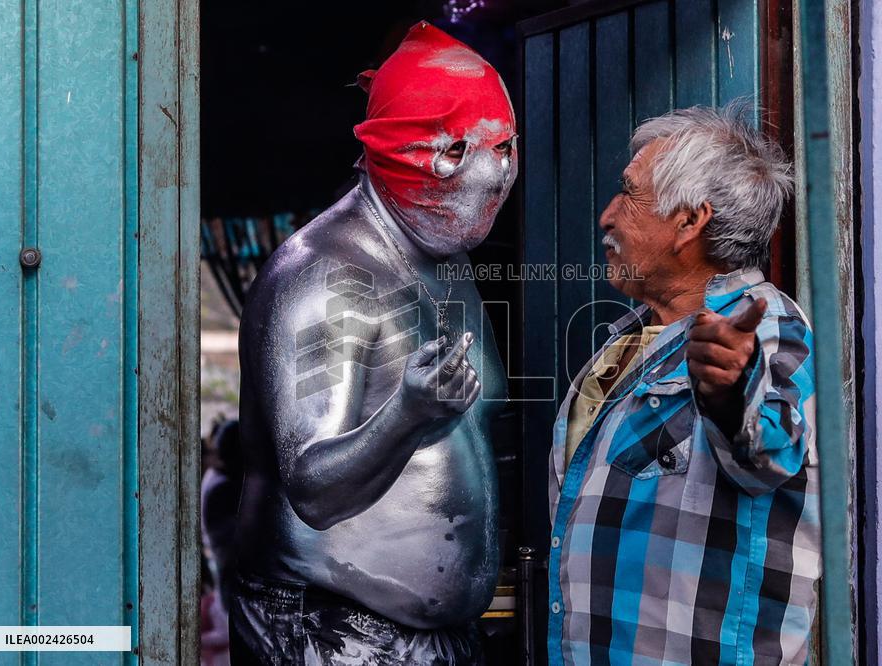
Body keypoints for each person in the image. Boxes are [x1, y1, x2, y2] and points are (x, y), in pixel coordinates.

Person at [232, 21, 517, 665]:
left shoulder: (448, 260)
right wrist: (406, 414)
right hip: (327, 628)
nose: (496, 173)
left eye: (506, 148)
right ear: (420, 153)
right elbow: (312, 489)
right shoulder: (326, 277)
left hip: (438, 638)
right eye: (468, 151)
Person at [547, 105, 821, 665]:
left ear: (690, 222)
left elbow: (766, 451)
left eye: (628, 194)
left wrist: (730, 394)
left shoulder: (770, 329)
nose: (607, 216)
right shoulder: (627, 340)